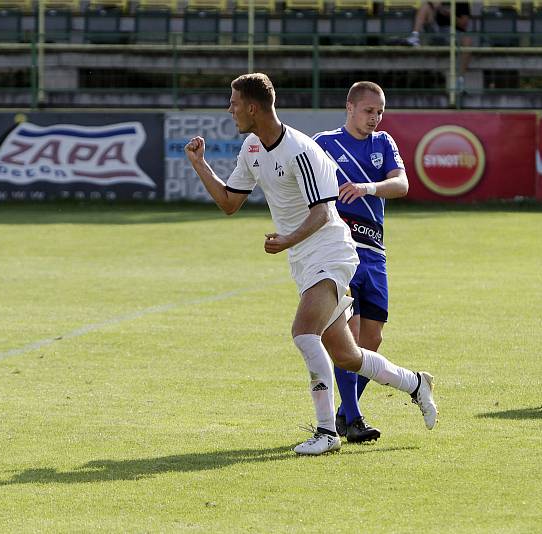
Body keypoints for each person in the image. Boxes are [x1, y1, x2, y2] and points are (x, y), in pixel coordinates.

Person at [184, 73, 438, 455]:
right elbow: (229, 203)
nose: (230, 109)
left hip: (331, 250)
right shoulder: (253, 147)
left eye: (234, 103)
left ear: (253, 108)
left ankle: (326, 432)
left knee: (304, 333)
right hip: (304, 258)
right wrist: (199, 164)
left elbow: (323, 212)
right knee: (347, 356)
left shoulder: (300, 150)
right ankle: (416, 383)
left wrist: (287, 238)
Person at [313, 82, 408, 444]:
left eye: (380, 111)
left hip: (375, 250)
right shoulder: (324, 143)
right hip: (340, 250)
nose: (375, 117)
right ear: (349, 107)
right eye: (369, 110)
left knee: (373, 338)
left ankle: (344, 412)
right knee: (348, 335)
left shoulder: (384, 143)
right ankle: (353, 419)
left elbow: (401, 184)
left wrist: (367, 188)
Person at [405, 1, 472, 83]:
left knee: (468, 41)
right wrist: (436, 8)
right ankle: (414, 36)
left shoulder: (462, 2)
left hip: (454, 32)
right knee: (425, 6)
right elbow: (428, 14)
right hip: (437, 31)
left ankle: (460, 79)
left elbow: (464, 23)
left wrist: (448, 14)